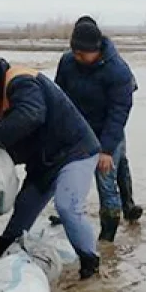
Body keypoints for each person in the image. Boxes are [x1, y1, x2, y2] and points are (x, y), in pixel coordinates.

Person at [0, 57, 103, 280]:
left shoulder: (20, 83)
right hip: (45, 159)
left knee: (67, 206)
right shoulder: (2, 95)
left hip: (75, 151)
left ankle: (90, 264)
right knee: (24, 206)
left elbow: (32, 115)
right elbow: (23, 136)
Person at [54, 16, 137, 242]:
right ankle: (67, 213)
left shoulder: (117, 70)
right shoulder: (68, 62)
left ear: (96, 49)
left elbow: (119, 111)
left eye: (83, 54)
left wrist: (107, 150)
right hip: (78, 131)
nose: (78, 58)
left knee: (106, 181)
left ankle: (107, 240)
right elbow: (59, 97)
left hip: (107, 133)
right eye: (75, 53)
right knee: (66, 173)